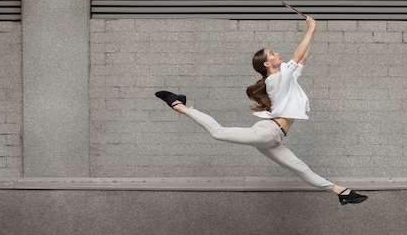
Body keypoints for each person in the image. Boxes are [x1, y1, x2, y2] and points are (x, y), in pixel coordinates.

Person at [155, 15, 367, 205]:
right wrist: (310, 29)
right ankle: (178, 104)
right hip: (267, 132)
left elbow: (303, 58)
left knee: (300, 169)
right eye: (272, 53)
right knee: (218, 132)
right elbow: (296, 54)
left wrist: (314, 31)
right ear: (267, 63)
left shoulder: (286, 77)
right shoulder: (275, 79)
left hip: (274, 137)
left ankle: (341, 192)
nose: (277, 53)